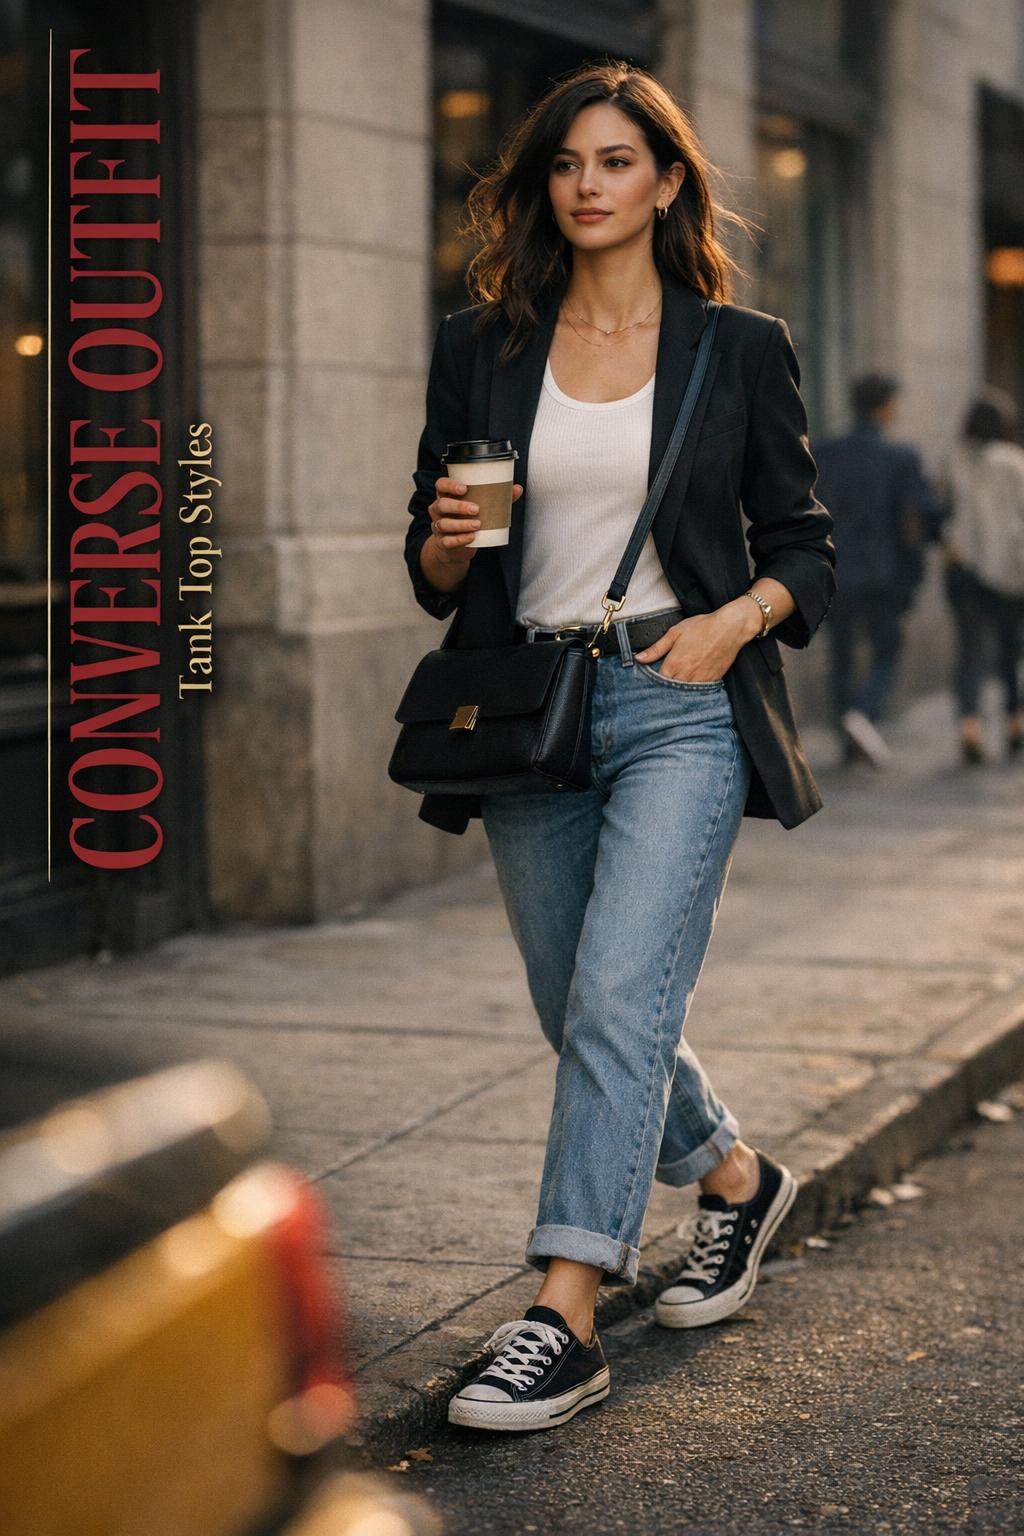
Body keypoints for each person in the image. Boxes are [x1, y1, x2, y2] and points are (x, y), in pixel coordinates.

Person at [402, 61, 836, 1435]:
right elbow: (431, 563)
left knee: (614, 1004)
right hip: (528, 709)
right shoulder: (483, 343)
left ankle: (564, 1312)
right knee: (576, 1005)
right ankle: (733, 1179)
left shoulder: (738, 348)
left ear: (664, 183)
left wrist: (735, 622)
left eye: (614, 161)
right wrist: (441, 541)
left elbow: (808, 552)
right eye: (565, 165)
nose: (586, 185)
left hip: (679, 700)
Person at [814, 373, 942, 768]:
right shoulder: (901, 457)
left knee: (841, 654)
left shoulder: (825, 452)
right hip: (884, 572)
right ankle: (863, 715)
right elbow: (920, 516)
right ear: (886, 405)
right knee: (887, 649)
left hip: (832, 569)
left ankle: (848, 728)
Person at [942, 388, 1024, 764]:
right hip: (1008, 569)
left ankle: (969, 726)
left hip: (963, 567)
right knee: (1011, 650)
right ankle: (1014, 723)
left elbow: (941, 514)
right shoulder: (1015, 462)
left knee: (970, 650)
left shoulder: (955, 461)